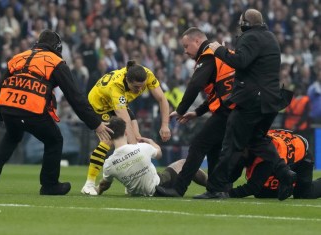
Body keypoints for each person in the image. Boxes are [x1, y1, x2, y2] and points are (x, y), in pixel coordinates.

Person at [196, 8, 296, 200]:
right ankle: (284, 172)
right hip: (271, 101)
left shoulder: (250, 37)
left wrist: (219, 50)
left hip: (252, 101)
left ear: (245, 24)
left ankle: (216, 188)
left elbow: (240, 61)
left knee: (231, 144)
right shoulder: (271, 37)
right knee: (257, 140)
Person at [0, 29, 112, 195]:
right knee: (54, 140)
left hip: (8, 108)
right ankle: (49, 185)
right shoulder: (56, 62)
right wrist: (96, 124)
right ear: (57, 47)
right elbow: (75, 97)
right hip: (32, 109)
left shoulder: (18, 57)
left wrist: (1, 113)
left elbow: (0, 86)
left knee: (11, 137)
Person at [155, 27, 235, 197]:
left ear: (197, 41)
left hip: (227, 110)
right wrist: (197, 112)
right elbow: (217, 92)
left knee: (198, 145)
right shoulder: (220, 53)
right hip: (233, 109)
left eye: (186, 46)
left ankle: (178, 188)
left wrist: (181, 109)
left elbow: (195, 85)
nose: (185, 51)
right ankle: (218, 189)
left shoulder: (207, 53)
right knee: (214, 148)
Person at [81, 60, 171, 195]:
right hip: (99, 107)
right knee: (109, 140)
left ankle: (131, 184)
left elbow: (162, 99)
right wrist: (135, 151)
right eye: (136, 87)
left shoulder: (146, 74)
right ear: (127, 81)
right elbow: (125, 120)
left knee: (137, 136)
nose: (140, 90)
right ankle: (89, 184)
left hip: (119, 104)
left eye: (142, 87)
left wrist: (165, 125)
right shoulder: (116, 87)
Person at [96, 116, 207, 196]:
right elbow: (159, 154)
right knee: (184, 163)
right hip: (160, 186)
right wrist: (151, 141)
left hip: (137, 193)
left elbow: (104, 185)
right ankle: (214, 186)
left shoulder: (109, 163)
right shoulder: (141, 147)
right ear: (126, 132)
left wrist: (97, 190)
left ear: (109, 136)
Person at [229, 129, 321, 199]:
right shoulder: (250, 146)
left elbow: (253, 187)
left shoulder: (267, 156)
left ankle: (289, 182)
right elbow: (234, 170)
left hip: (301, 155)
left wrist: (228, 194)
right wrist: (219, 187)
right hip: (284, 147)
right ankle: (287, 182)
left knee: (303, 193)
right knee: (263, 193)